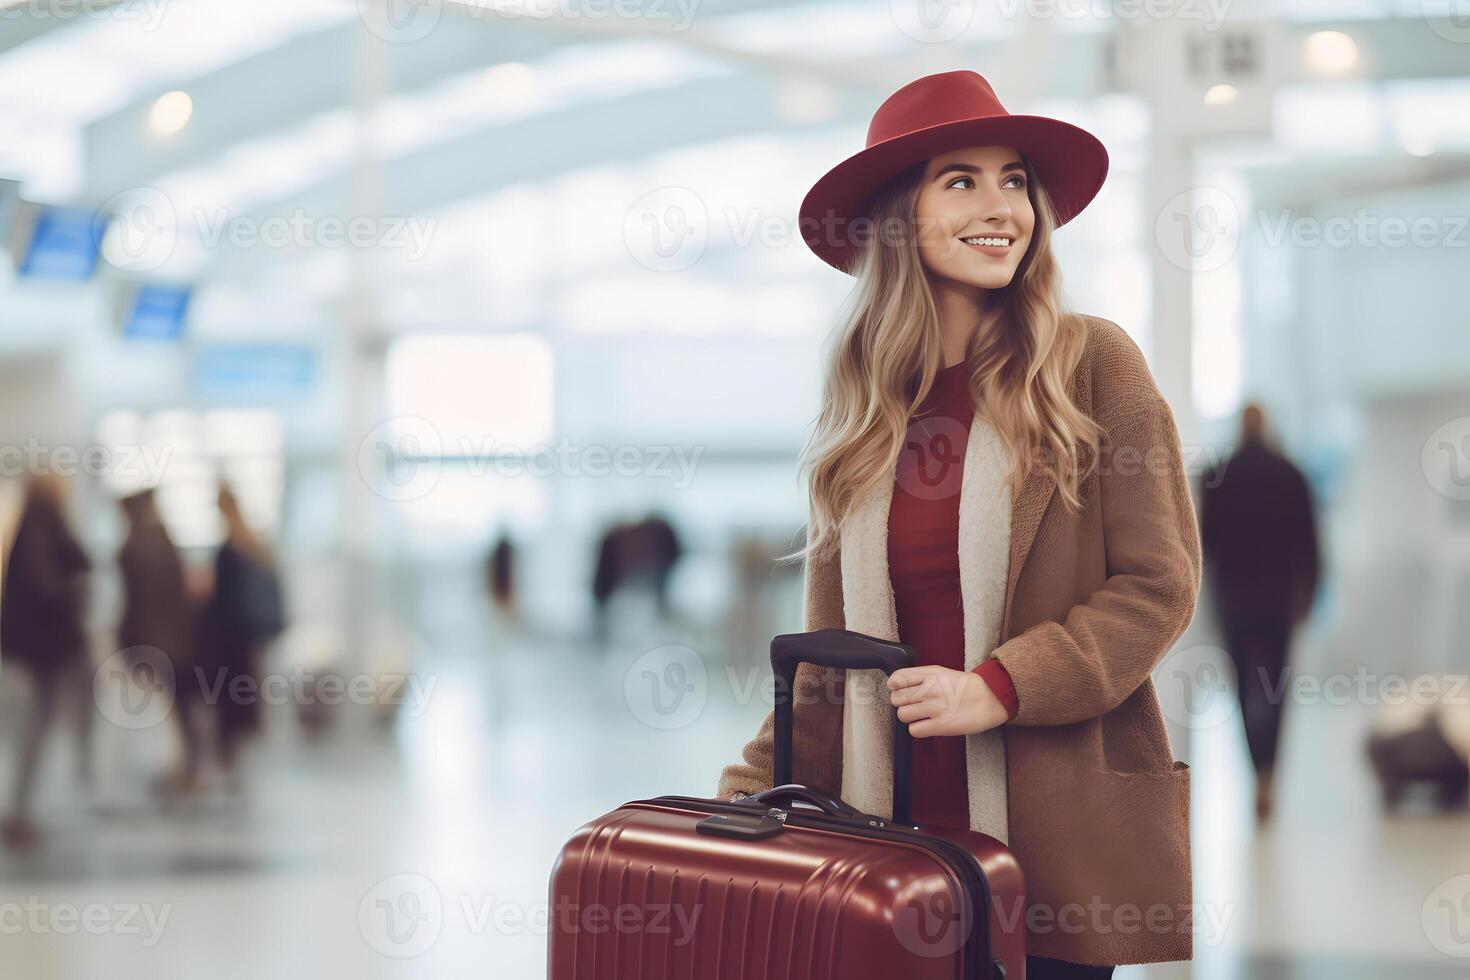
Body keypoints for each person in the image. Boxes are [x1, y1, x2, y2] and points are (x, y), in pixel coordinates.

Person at [715, 71, 1201, 975]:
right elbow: (829, 661)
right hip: (888, 849)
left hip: (1051, 854)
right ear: (901, 215)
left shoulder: (1091, 365)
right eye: (962, 180)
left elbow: (1159, 585)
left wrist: (1001, 685)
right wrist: (746, 794)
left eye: (1015, 179)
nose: (1001, 206)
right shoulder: (867, 411)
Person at [1199, 403, 1320, 822]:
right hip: (1279, 600)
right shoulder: (1291, 473)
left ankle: (1256, 769)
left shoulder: (1219, 476)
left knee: (1242, 688)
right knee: (1276, 688)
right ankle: (1270, 774)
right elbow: (1311, 544)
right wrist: (1308, 597)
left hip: (1235, 600)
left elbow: (1204, 546)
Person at [0, 473, 93, 849]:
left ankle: (22, 809)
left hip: (39, 649)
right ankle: (19, 811)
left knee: (37, 729)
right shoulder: (40, 528)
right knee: (34, 730)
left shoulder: (37, 526)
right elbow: (47, 588)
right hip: (43, 651)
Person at [197, 485, 284, 788]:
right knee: (241, 698)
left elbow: (221, 600)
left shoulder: (229, 551)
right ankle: (234, 763)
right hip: (248, 640)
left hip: (227, 640)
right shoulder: (254, 546)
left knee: (226, 703)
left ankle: (228, 762)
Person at [117, 487, 200, 796]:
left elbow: (134, 604)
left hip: (147, 643)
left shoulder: (133, 546)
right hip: (173, 642)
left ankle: (169, 772)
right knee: (175, 710)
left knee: (154, 712)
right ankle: (181, 772)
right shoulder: (164, 542)